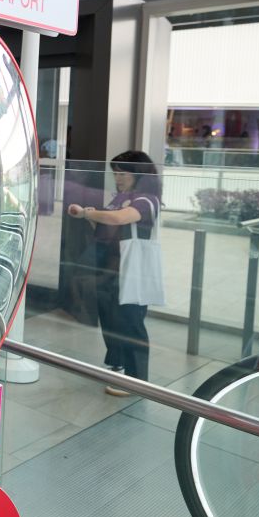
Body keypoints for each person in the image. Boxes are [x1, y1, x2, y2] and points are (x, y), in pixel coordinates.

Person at [67, 150, 161, 394]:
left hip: (131, 268)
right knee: (110, 316)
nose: (118, 179)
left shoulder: (147, 200)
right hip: (109, 264)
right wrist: (92, 217)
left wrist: (87, 212)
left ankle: (136, 379)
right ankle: (117, 364)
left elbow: (120, 219)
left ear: (139, 174)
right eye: (116, 174)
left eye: (123, 174)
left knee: (130, 320)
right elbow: (106, 227)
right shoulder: (121, 197)